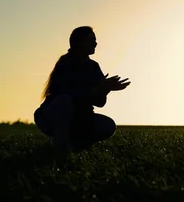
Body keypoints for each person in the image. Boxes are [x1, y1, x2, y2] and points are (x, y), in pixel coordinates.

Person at [34, 26, 130, 158]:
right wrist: (97, 88)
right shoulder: (65, 63)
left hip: (80, 119)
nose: (95, 43)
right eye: (91, 39)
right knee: (64, 101)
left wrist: (106, 89)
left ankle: (74, 146)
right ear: (79, 42)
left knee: (108, 125)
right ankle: (60, 147)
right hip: (50, 117)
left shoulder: (93, 66)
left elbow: (100, 103)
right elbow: (66, 94)